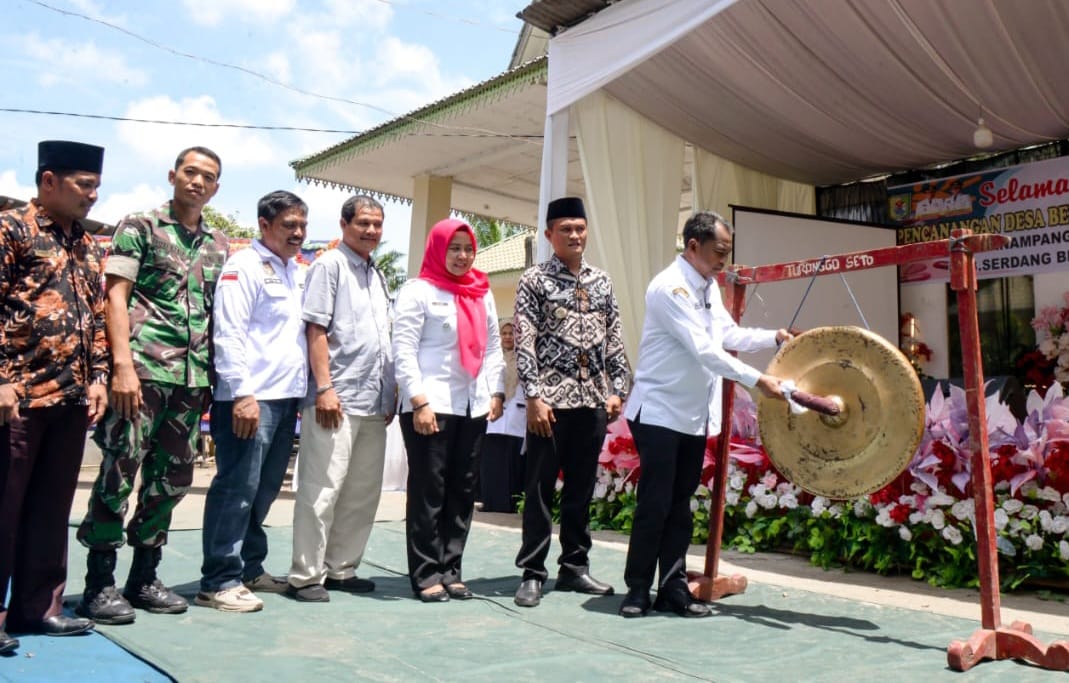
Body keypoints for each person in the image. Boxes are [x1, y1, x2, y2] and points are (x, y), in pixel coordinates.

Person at [77, 147, 229, 625]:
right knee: (118, 473)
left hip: (191, 379)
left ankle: (144, 577)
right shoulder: (140, 225)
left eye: (208, 177)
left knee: (172, 480)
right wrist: (121, 364)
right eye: (190, 172)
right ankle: (99, 583)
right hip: (141, 374)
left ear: (216, 188)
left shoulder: (217, 244)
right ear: (172, 175)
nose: (197, 182)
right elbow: (115, 297)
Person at [619, 211, 790, 618]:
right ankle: (638, 588)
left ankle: (673, 588)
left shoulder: (707, 286)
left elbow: (726, 335)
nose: (723, 263)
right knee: (655, 504)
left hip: (692, 416)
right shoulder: (669, 288)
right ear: (693, 246)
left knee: (681, 505)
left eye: (727, 254)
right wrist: (758, 380)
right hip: (659, 411)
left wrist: (774, 336)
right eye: (718, 253)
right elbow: (704, 350)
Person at [0, 141, 108, 649]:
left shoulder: (86, 244)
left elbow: (98, 318)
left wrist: (100, 377)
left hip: (69, 399)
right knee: (3, 506)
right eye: (83, 185)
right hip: (18, 396)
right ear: (48, 182)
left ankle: (38, 608)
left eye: (95, 185)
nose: (92, 194)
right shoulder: (12, 230)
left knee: (50, 509)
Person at [512, 196, 631, 608]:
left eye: (579, 228)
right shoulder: (534, 280)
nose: (575, 235)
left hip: (593, 400)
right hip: (549, 402)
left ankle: (574, 568)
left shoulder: (602, 281)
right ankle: (532, 572)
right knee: (540, 487)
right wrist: (533, 395)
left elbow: (614, 336)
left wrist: (618, 388)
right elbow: (524, 339)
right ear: (549, 235)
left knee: (581, 488)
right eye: (566, 229)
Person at [196, 191, 309, 612]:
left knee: (263, 490)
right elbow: (228, 332)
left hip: (285, 399)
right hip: (249, 398)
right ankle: (218, 580)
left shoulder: (298, 271)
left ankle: (248, 568)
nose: (297, 233)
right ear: (264, 225)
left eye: (302, 225)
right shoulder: (244, 266)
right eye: (288, 226)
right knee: (236, 487)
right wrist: (242, 393)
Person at [288, 195, 395, 603]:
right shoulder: (329, 265)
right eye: (364, 223)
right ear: (344, 224)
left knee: (361, 492)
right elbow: (315, 329)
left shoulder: (376, 272)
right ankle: (306, 575)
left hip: (374, 401)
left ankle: (342, 568)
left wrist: (391, 393)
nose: (371, 230)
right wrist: (325, 388)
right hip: (337, 396)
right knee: (322, 489)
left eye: (377, 224)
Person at [394, 218, 505, 602]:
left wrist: (497, 391)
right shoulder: (418, 290)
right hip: (431, 405)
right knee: (430, 490)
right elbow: (404, 350)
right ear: (438, 248)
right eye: (453, 248)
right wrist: (418, 401)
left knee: (462, 489)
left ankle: (451, 568)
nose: (462, 256)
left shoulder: (481, 291)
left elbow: (492, 345)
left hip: (472, 404)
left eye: (468, 248)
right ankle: (425, 573)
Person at [479, 320, 526, 513]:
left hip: (516, 412)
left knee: (513, 459)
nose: (507, 337)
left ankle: (513, 502)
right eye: (504, 333)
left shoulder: (523, 358)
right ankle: (491, 501)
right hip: (494, 412)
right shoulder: (492, 358)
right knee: (493, 458)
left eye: (511, 333)